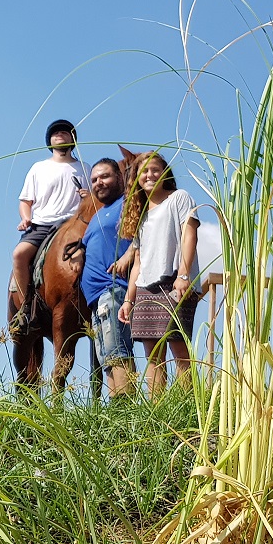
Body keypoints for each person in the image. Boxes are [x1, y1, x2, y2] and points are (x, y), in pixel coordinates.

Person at [117, 151, 200, 396]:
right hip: (145, 289)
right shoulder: (141, 215)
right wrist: (128, 300)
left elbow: (189, 234)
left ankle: (187, 407)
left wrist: (183, 275)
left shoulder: (179, 198)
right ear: (136, 178)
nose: (150, 175)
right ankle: (158, 412)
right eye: (144, 171)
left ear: (165, 173)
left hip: (173, 283)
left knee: (179, 349)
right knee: (153, 356)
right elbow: (139, 263)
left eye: (155, 170)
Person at [12, 119, 90, 331]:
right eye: (55, 133)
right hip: (43, 225)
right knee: (19, 254)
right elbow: (25, 201)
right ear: (50, 141)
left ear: (72, 139)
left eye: (64, 132)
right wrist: (26, 217)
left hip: (74, 226)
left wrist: (87, 196)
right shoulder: (39, 168)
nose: (60, 135)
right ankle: (25, 308)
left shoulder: (85, 168)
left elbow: (94, 202)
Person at [80, 159, 136, 397]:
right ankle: (117, 413)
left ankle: (127, 413)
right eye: (94, 180)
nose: (98, 183)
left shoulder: (128, 203)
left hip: (115, 290)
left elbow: (146, 231)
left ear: (120, 178)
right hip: (96, 297)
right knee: (107, 358)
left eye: (104, 177)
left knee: (118, 352)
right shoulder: (97, 215)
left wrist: (130, 253)